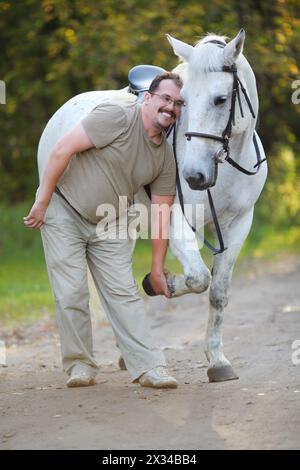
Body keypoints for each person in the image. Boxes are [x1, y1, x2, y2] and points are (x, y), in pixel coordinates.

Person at [24, 72, 185, 389]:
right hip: (64, 208)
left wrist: (156, 269)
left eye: (178, 103)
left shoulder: (165, 158)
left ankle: (150, 366)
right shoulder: (117, 116)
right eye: (166, 98)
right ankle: (80, 365)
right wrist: (42, 202)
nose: (171, 106)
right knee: (71, 292)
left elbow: (161, 213)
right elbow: (62, 150)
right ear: (148, 98)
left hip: (113, 221)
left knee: (123, 293)